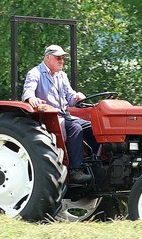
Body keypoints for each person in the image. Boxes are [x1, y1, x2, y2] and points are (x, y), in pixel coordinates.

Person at [21, 44, 98, 183]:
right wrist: (31, 98)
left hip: (65, 115)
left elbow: (70, 98)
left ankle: (98, 164)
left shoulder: (62, 75)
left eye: (63, 58)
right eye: (58, 58)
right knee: (75, 128)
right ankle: (75, 170)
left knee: (94, 128)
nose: (61, 61)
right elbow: (28, 91)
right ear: (48, 57)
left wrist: (77, 97)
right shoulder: (35, 73)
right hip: (50, 117)